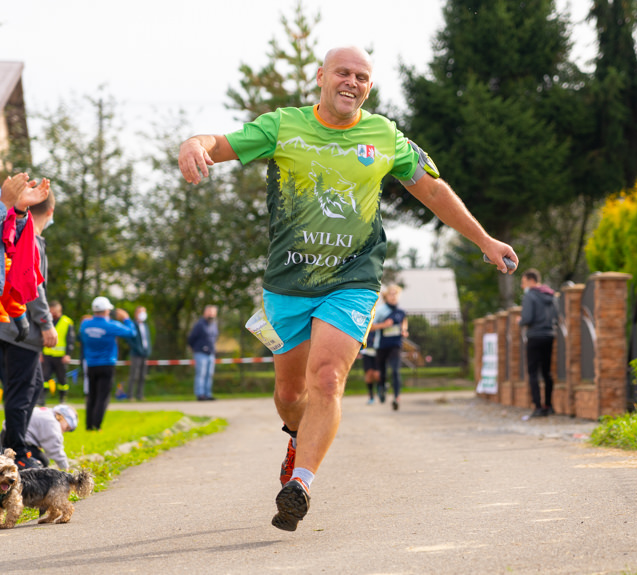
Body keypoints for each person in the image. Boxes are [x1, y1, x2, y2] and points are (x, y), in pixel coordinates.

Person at [177, 45, 518, 532]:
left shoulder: (384, 136)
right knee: (290, 392)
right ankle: (296, 436)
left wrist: (483, 240)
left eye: (361, 76)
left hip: (352, 281)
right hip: (287, 283)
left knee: (328, 379)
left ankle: (301, 485)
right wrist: (195, 142)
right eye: (343, 72)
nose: (351, 82)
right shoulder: (283, 126)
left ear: (369, 87)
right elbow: (220, 143)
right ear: (321, 77)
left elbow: (434, 191)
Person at [0, 174, 56, 470]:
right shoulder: (30, 237)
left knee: (28, 388)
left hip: (9, 327)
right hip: (20, 331)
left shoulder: (15, 230)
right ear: (50, 211)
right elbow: (31, 283)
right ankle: (17, 453)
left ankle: (13, 442)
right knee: (23, 392)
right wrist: (46, 322)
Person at [78, 297, 136, 431]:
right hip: (106, 364)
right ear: (106, 311)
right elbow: (132, 333)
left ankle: (88, 425)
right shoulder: (111, 325)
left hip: (91, 364)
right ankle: (97, 425)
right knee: (102, 397)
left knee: (91, 395)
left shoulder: (85, 325)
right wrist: (126, 319)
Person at [519, 268, 558, 418]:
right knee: (547, 372)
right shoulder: (551, 296)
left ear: (531, 280)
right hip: (549, 335)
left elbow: (527, 318)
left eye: (523, 283)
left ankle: (537, 406)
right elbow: (557, 315)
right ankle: (549, 405)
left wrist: (520, 321)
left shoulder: (530, 296)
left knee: (533, 372)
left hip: (535, 336)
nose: (523, 287)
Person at [0, 404, 78, 470]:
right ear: (62, 417)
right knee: (43, 461)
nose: (64, 431)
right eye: (67, 427)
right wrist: (65, 468)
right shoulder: (53, 425)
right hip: (18, 443)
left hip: (6, 434)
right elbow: (56, 451)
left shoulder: (45, 412)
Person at [374, 284, 408, 411]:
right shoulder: (380, 311)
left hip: (395, 345)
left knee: (395, 371)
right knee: (382, 373)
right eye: (391, 294)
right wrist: (384, 325)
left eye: (396, 294)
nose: (393, 296)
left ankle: (396, 397)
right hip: (381, 345)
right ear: (386, 296)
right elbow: (370, 327)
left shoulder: (401, 311)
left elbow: (404, 322)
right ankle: (382, 387)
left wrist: (404, 330)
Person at [40, 301, 75, 405]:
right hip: (47, 354)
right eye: (51, 312)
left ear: (60, 311)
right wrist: (40, 353)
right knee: (44, 378)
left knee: (62, 379)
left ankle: (62, 399)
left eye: (54, 312)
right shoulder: (45, 321)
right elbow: (40, 337)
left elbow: (70, 339)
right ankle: (42, 398)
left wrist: (68, 354)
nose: (53, 314)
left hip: (61, 356)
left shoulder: (67, 322)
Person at [187, 305, 218, 401]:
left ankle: (207, 394)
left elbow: (215, 338)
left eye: (213, 312)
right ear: (205, 312)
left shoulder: (214, 324)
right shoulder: (199, 324)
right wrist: (196, 348)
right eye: (209, 311)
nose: (211, 314)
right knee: (201, 374)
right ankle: (200, 394)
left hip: (210, 353)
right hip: (200, 353)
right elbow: (191, 338)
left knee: (209, 374)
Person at [126, 305, 152, 401]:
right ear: (136, 313)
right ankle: (130, 395)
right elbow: (130, 340)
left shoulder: (145, 325)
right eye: (141, 312)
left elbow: (147, 340)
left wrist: (148, 350)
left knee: (142, 375)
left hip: (144, 354)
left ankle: (140, 395)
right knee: (134, 375)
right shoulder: (133, 325)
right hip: (135, 354)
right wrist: (138, 349)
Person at [359, 326, 380, 405]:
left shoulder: (379, 321)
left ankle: (381, 387)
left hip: (377, 352)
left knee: (377, 375)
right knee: (369, 374)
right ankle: (371, 396)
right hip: (367, 353)